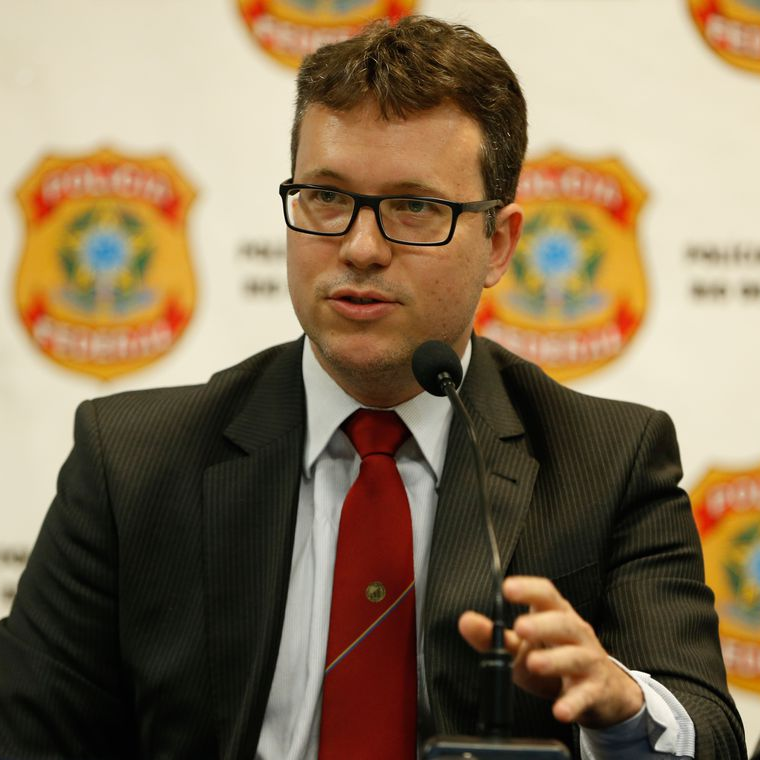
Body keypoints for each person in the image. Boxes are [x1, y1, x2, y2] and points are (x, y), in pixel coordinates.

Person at [0, 14, 746, 760]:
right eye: (326, 197)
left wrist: (621, 708)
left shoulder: (607, 461)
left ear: (498, 243)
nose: (360, 248)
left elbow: (707, 728)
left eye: (414, 207)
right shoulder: (133, 463)